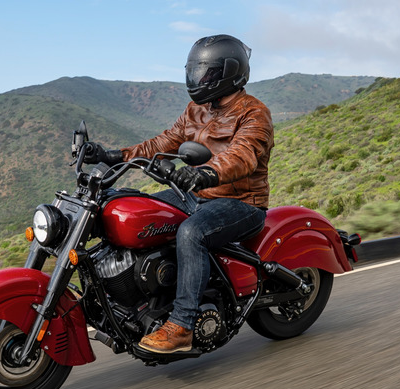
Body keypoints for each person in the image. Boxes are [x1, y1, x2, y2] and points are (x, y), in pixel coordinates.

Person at [85, 34, 274, 353]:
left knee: (191, 234)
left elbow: (242, 155)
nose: (200, 79)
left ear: (229, 72)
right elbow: (163, 143)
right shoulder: (197, 109)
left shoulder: (254, 113)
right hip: (195, 196)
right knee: (140, 213)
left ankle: (182, 326)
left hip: (240, 203)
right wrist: (114, 155)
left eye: (208, 73)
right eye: (197, 71)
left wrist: (204, 174)